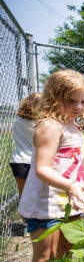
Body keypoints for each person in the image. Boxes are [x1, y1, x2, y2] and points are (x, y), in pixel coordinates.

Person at [18, 70, 84, 262]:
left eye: (83, 102)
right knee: (44, 261)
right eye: (71, 101)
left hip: (67, 203)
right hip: (46, 206)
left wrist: (78, 189)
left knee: (65, 256)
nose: (78, 107)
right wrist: (70, 185)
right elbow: (42, 168)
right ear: (54, 97)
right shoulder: (50, 126)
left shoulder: (73, 126)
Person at [9, 92, 42, 223]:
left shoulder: (17, 122)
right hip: (35, 161)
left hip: (18, 160)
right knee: (38, 194)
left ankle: (25, 224)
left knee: (23, 195)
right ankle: (38, 220)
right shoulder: (40, 123)